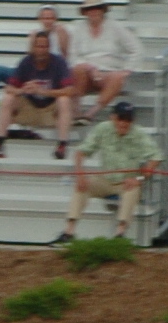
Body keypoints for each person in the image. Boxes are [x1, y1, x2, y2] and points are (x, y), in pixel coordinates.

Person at [57, 99, 158, 243]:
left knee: (133, 190)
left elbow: (156, 157)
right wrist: (80, 176)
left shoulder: (139, 134)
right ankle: (69, 231)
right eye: (121, 118)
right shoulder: (102, 129)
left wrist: (138, 179)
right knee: (81, 187)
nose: (124, 123)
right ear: (113, 118)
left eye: (128, 119)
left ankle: (120, 233)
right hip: (104, 179)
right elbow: (80, 153)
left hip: (126, 181)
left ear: (133, 121)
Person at [0, 28, 77, 160]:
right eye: (38, 46)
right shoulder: (26, 62)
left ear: (49, 48)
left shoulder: (59, 62)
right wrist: (23, 90)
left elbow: (70, 90)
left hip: (50, 110)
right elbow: (9, 88)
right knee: (8, 98)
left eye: (44, 47)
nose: (41, 50)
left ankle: (62, 145)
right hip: (29, 108)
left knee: (64, 100)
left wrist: (43, 91)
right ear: (33, 47)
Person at [0, 7, 72, 124]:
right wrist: (33, 40)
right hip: (32, 71)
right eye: (45, 18)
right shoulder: (35, 34)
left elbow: (66, 56)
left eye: (50, 18)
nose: (47, 21)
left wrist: (60, 37)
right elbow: (30, 57)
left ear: (55, 19)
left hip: (51, 72)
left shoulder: (61, 32)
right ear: (40, 19)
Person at [66, 0, 143, 110]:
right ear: (85, 12)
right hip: (86, 73)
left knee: (118, 78)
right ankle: (76, 110)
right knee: (77, 70)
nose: (93, 11)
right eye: (89, 9)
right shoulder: (78, 28)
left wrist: (127, 69)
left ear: (103, 10)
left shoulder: (116, 27)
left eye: (97, 8)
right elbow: (72, 55)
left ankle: (92, 112)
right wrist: (90, 68)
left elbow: (136, 48)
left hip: (110, 72)